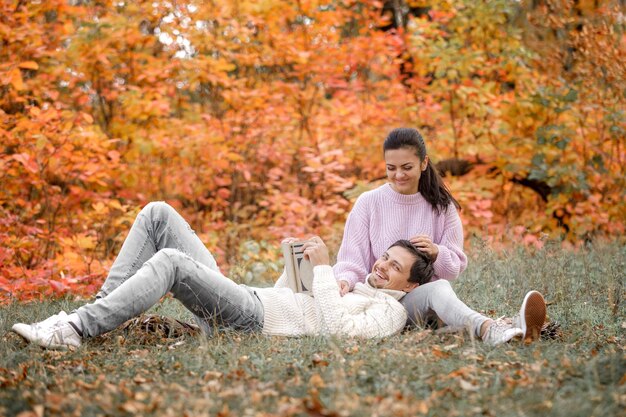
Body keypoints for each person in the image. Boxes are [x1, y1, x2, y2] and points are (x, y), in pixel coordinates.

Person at [12, 203, 545, 350]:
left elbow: (331, 332)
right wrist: (302, 262)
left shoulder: (386, 312)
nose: (380, 266)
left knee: (171, 264)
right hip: (257, 296)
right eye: (384, 257)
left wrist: (318, 274)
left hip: (253, 317)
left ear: (410, 286)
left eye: (393, 268)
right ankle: (99, 312)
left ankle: (76, 329)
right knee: (157, 215)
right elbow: (297, 293)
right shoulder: (356, 285)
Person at [333, 127, 543, 341]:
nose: (398, 175)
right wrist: (344, 280)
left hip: (418, 300)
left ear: (424, 163)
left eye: (407, 167)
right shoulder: (368, 202)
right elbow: (351, 258)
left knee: (440, 293)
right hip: (379, 301)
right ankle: (494, 328)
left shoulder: (441, 206)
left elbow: (454, 267)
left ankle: (506, 328)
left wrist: (436, 253)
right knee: (441, 299)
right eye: (391, 168)